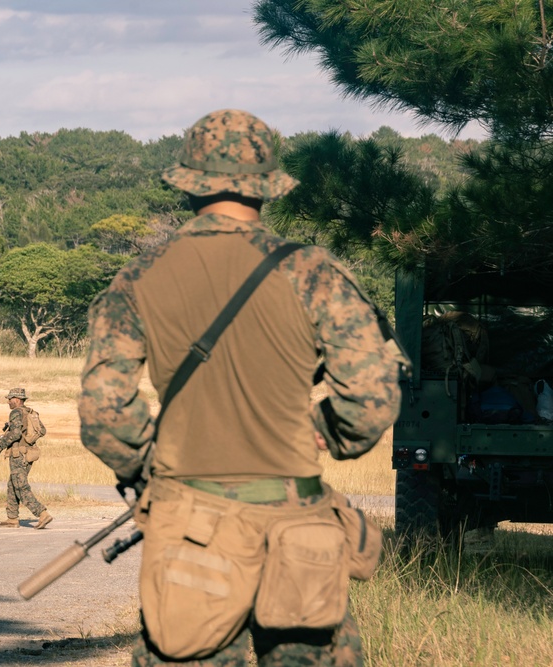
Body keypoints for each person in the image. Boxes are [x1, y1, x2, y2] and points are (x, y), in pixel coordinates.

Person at [78, 109, 407, 666]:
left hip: (189, 529)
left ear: (187, 183)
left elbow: (103, 413)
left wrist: (146, 464)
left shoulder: (138, 278)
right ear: (267, 188)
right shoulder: (312, 272)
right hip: (298, 527)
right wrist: (322, 429)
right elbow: (373, 399)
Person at [0, 388, 53, 530]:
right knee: (12, 485)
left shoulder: (16, 413)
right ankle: (12, 518)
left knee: (20, 485)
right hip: (29, 453)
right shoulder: (31, 413)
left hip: (18, 454)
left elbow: (15, 434)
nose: (8, 402)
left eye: (10, 399)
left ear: (17, 400)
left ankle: (42, 513)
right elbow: (42, 430)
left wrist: (0, 442)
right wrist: (29, 438)